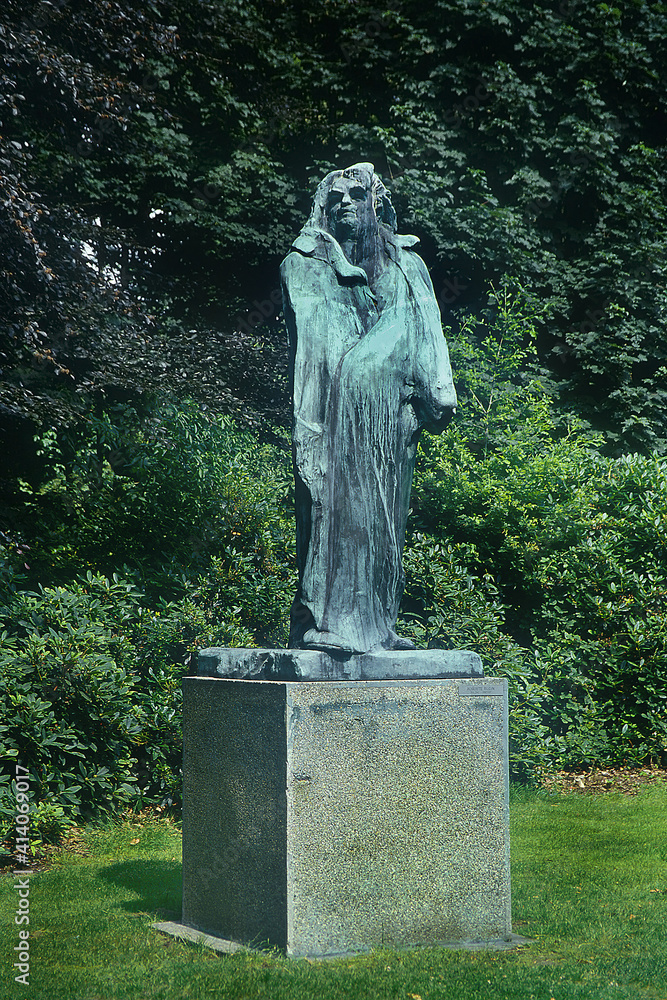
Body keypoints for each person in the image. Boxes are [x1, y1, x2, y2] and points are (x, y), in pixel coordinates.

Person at [281, 162, 456, 654]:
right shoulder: (308, 261)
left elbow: (428, 331)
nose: (346, 204)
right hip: (336, 418)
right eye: (335, 197)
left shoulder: (405, 263)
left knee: (384, 521)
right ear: (323, 208)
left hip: (395, 418)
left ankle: (377, 627)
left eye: (357, 195)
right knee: (333, 512)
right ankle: (331, 623)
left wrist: (436, 399)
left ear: (376, 202)